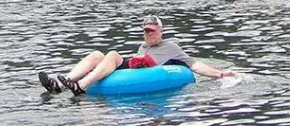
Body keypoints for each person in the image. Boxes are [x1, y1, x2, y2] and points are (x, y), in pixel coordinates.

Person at [38, 15, 235, 95]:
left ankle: (80, 86)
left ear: (161, 31)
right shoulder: (142, 46)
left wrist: (220, 74)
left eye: (152, 30)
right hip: (137, 67)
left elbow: (194, 65)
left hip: (151, 71)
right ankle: (62, 84)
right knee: (97, 54)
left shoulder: (172, 47)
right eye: (146, 31)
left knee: (113, 54)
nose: (149, 34)